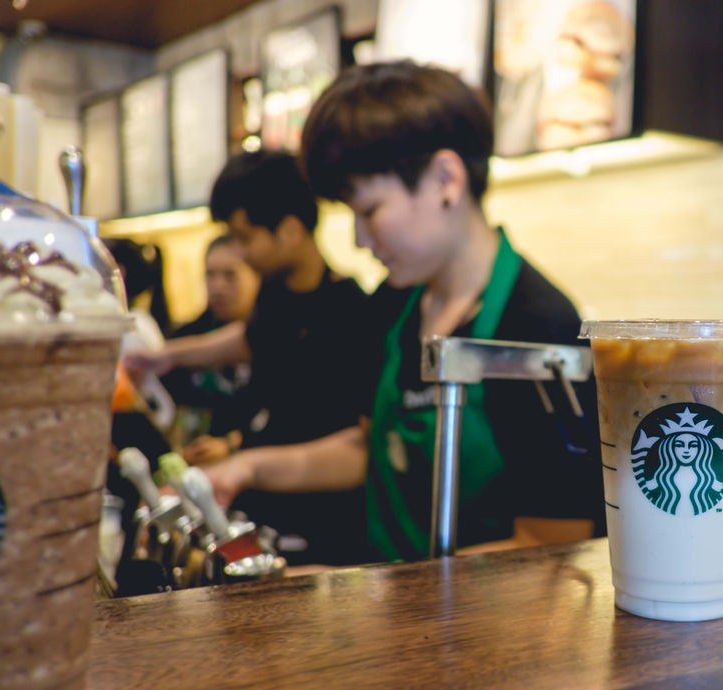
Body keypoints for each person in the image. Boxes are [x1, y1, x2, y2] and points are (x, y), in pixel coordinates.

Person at [204, 60, 603, 564]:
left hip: (488, 632)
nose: (359, 239)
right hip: (402, 614)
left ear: (445, 179)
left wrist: (391, 600)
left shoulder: (536, 327)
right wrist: (248, 468)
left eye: (369, 211)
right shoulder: (395, 306)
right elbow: (368, 448)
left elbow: (554, 545)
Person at [123, 150, 374, 565]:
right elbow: (249, 339)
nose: (240, 253)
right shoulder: (278, 295)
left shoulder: (351, 313)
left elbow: (358, 447)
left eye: (245, 238)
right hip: (261, 510)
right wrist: (164, 358)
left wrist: (244, 462)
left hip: (321, 532)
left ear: (290, 231)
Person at [160, 234, 260, 465]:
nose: (217, 286)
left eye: (229, 275)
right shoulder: (183, 339)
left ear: (257, 276)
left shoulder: (273, 338)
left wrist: (230, 444)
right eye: (210, 275)